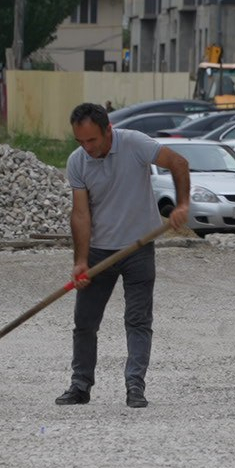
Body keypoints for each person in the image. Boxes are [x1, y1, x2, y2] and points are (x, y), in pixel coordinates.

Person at [56, 102, 190, 409]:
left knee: (138, 320)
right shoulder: (78, 162)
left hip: (138, 248)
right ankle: (80, 385)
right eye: (80, 141)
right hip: (99, 252)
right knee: (85, 322)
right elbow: (80, 214)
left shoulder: (135, 144)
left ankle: (135, 385)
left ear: (108, 131)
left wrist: (182, 204)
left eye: (92, 140)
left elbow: (179, 163)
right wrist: (80, 261)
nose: (87, 148)